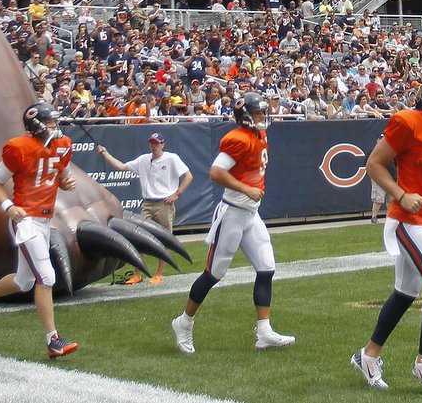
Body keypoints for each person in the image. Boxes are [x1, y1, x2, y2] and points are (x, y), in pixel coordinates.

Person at [351, 68, 422, 395]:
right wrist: (401, 193)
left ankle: (369, 355)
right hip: (406, 218)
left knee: (404, 294)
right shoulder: (408, 122)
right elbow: (374, 163)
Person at [170, 91, 295, 355]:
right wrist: (245, 188)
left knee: (266, 268)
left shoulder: (259, 134)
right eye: (258, 113)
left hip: (251, 213)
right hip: (233, 213)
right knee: (214, 273)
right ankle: (184, 323)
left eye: (263, 112)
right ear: (246, 117)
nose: (263, 116)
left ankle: (263, 332)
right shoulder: (238, 139)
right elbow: (216, 172)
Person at [0, 102, 79, 359]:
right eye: (50, 121)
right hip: (25, 218)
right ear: (37, 125)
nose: (55, 125)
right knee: (46, 277)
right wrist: (8, 207)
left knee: (24, 281)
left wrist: (66, 183)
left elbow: (58, 177)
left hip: (44, 219)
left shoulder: (63, 145)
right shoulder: (18, 147)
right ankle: (53, 341)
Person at [97, 132, 194, 285]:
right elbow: (122, 167)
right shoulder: (143, 160)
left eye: (157, 143)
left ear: (163, 144)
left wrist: (177, 193)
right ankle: (138, 274)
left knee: (164, 239)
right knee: (140, 238)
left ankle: (158, 274)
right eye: (152, 143)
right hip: (147, 203)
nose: (154, 146)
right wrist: (105, 153)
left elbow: (188, 176)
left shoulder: (171, 158)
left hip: (164, 203)